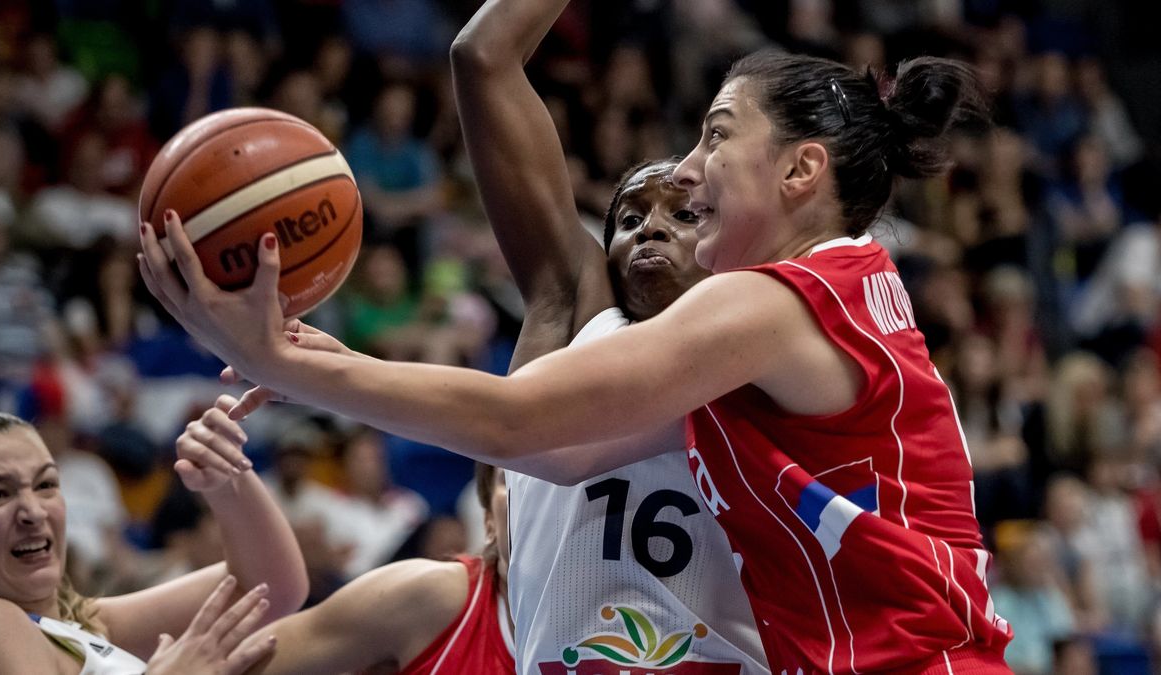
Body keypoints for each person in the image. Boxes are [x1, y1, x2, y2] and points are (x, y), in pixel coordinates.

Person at [137, 49, 1013, 672]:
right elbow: (549, 451)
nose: (686, 163)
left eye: (715, 135)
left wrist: (288, 368)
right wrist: (310, 358)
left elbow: (518, 418)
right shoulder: (785, 325)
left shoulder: (777, 300)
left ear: (800, 170)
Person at [447, 0, 766, 672]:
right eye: (628, 217)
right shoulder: (572, 311)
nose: (651, 227)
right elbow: (483, 59)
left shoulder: (775, 333)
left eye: (686, 211)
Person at [0, 396, 308, 673]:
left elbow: (269, 588)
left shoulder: (88, 626)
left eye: (46, 484)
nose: (34, 512)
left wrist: (228, 477)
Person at [235, 463, 514, 674]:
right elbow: (229, 668)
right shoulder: (430, 596)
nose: (533, 501)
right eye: (513, 478)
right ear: (488, 519)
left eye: (551, 484)